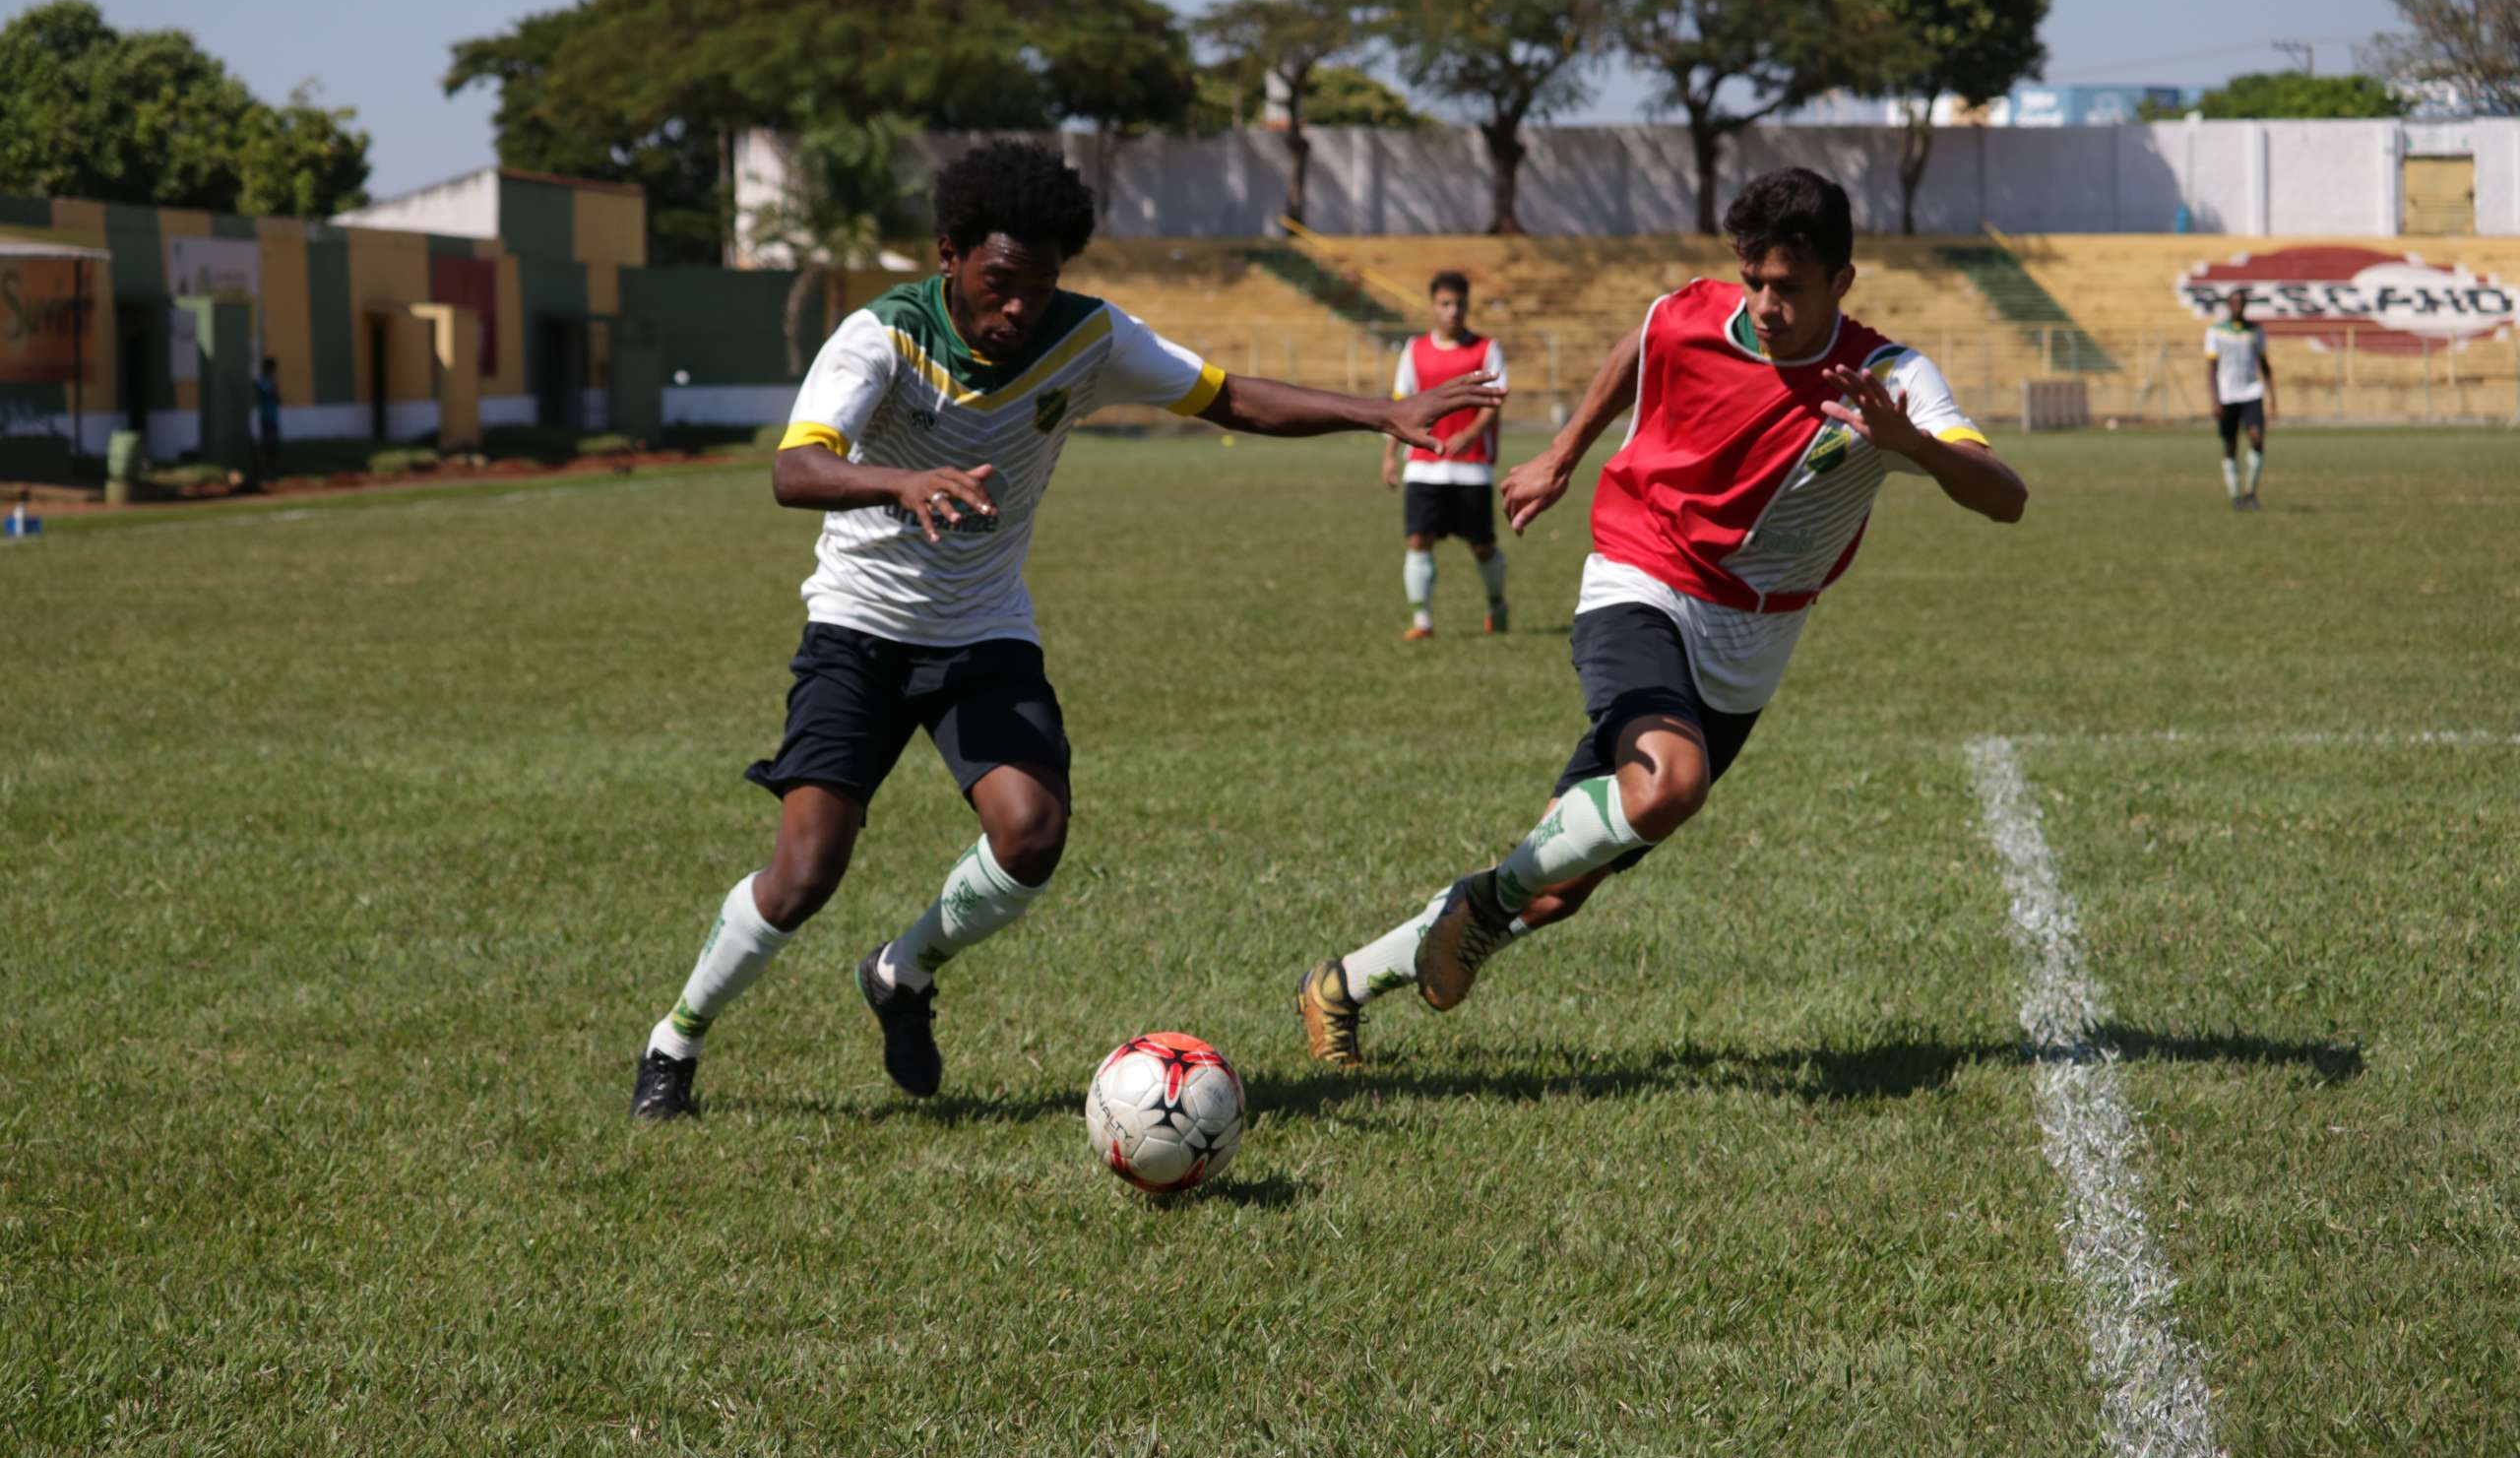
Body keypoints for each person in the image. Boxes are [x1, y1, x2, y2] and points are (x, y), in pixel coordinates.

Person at [631, 140, 1499, 1120]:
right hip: (860, 630)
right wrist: (902, 480)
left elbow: (1227, 396)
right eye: (999, 285)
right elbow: (797, 470)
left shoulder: (1086, 338)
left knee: (1032, 831)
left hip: (983, 631)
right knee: (803, 874)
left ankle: (902, 972)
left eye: (1037, 290)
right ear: (950, 253)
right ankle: (675, 1041)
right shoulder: (880, 337)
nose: (1017, 310)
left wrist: (1377, 413)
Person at [1296, 168, 2028, 1064]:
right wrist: (1565, 453)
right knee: (1669, 784)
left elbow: (2006, 499)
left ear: (1843, 280)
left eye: (1789, 288)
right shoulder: (1691, 315)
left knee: (1563, 882)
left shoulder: (1890, 379)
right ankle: (1477, 908)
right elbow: (1641, 341)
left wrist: (1912, 445)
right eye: (1753, 280)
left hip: (1754, 641)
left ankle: (1344, 983)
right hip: (1641, 578)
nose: (1764, 304)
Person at [1381, 272, 1509, 638]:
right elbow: (1399, 404)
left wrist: (1470, 434)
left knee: (1482, 546)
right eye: (1445, 304)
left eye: (1459, 304)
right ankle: (1422, 621)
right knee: (1418, 539)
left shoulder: (1486, 349)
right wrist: (1390, 455)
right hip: (1423, 466)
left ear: (1468, 305)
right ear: (1433, 306)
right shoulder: (1415, 349)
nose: (1453, 311)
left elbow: (1496, 398)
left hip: (1471, 469)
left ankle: (1497, 603)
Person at [2204, 290, 2274, 511]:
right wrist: (2214, 400)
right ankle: (2236, 495)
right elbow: (2211, 368)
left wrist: (2273, 396)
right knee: (2231, 444)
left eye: (2242, 303)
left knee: (2257, 438)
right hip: (2227, 395)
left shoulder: (2255, 331)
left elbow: (2265, 365)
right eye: (2234, 303)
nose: (2238, 306)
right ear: (2229, 305)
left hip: (2251, 392)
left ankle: (2250, 492)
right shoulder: (2216, 331)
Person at [253, 357, 282, 481]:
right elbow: (274, 395)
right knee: (267, 446)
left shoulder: (269, 382)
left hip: (273, 418)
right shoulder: (263, 383)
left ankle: (272, 471)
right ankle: (265, 472)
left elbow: (278, 400)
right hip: (267, 418)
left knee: (273, 446)